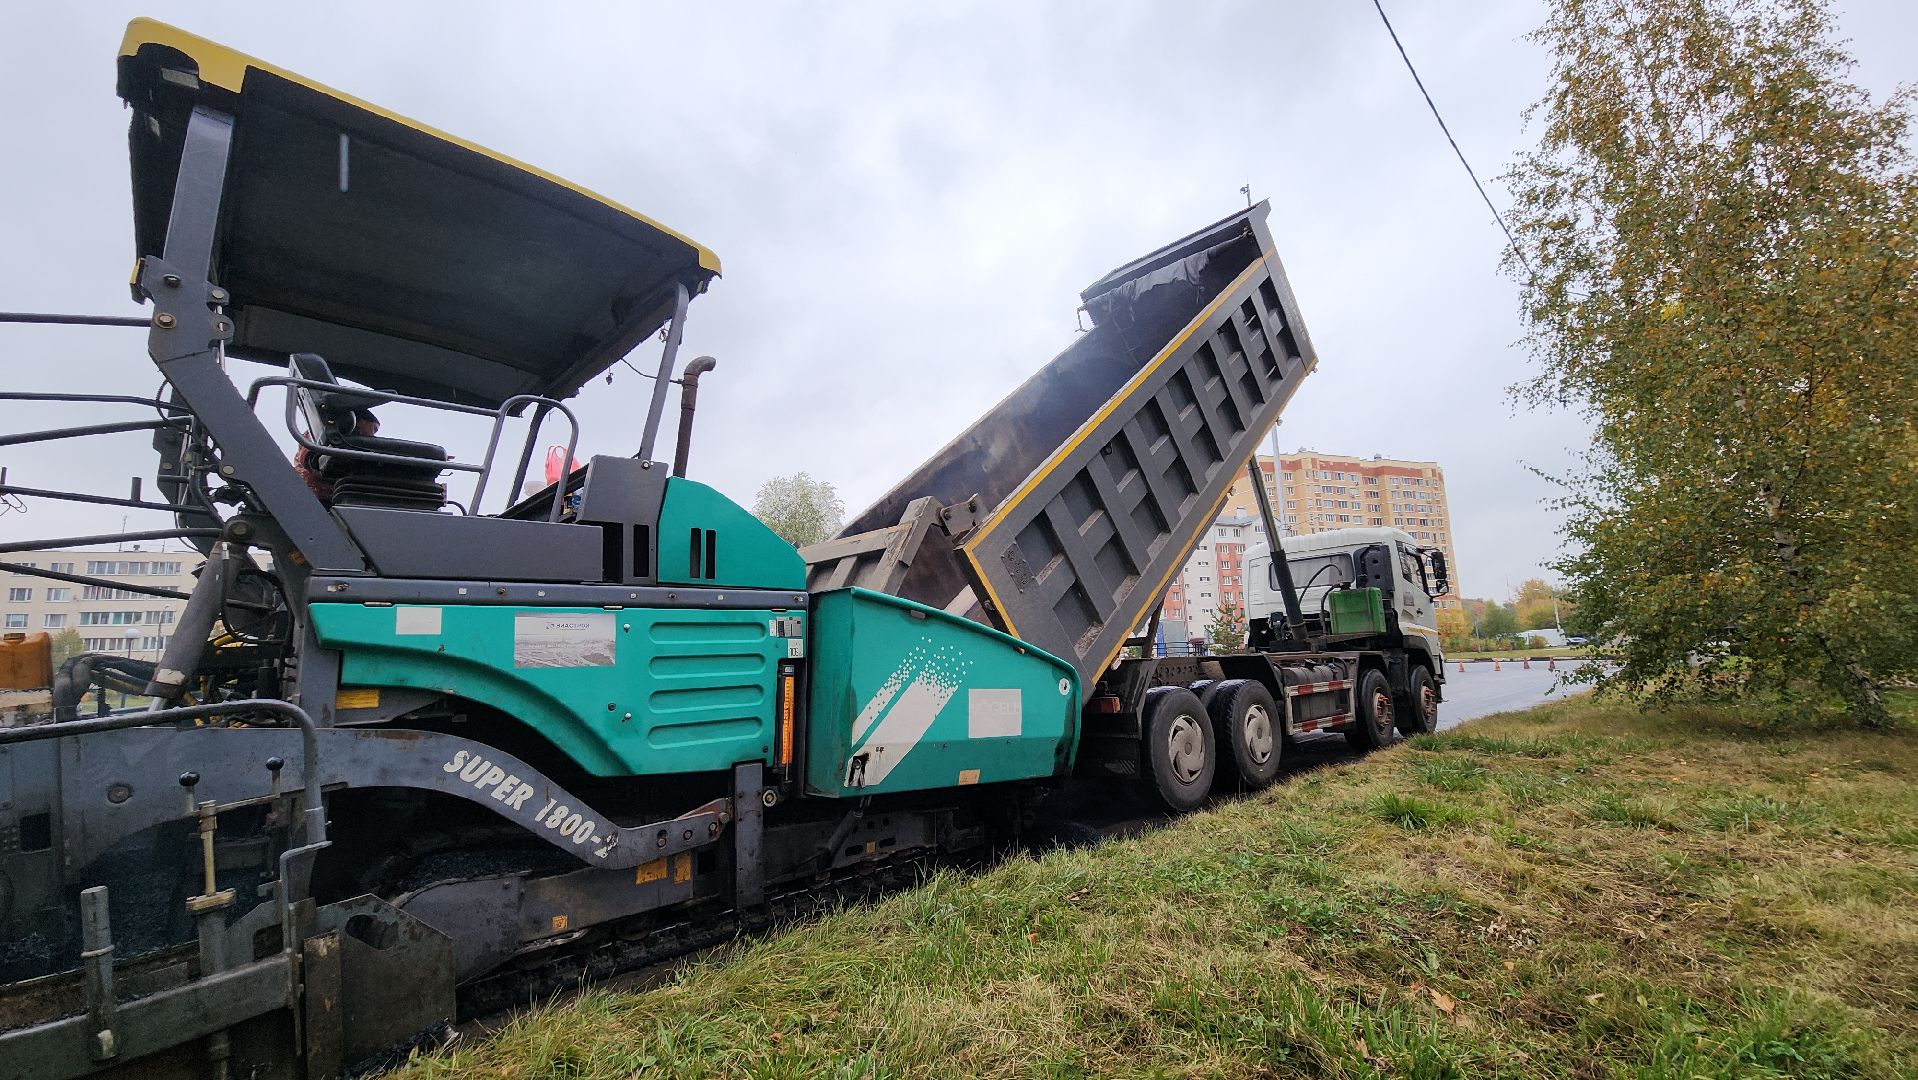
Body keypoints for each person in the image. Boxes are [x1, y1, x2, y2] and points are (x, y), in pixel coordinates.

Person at [294, 408, 379, 505]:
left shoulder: (341, 440)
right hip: (316, 497)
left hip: (328, 495)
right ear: (359, 422)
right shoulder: (324, 435)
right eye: (374, 429)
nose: (373, 435)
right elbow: (309, 460)